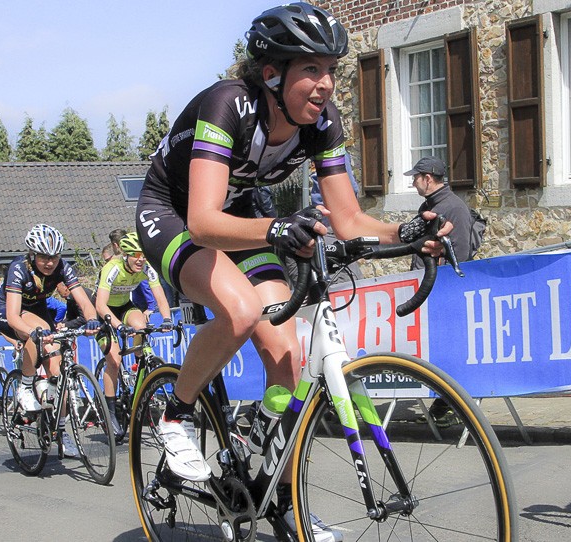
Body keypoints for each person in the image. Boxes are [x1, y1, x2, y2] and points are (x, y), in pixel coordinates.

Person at [134, 4, 451, 539]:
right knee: (241, 309)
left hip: (244, 215)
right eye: (311, 69)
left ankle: (275, 495)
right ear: (271, 73)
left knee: (287, 352)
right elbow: (204, 220)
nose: (326, 84)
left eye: (331, 69)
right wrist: (280, 228)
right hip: (175, 213)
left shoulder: (321, 124)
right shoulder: (226, 105)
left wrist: (406, 235)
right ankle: (174, 415)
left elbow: (348, 219)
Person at [0, 224, 101, 458]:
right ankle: (24, 385)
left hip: (38, 312)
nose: (50, 263)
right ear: (32, 255)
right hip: (10, 313)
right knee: (37, 330)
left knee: (58, 374)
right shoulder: (18, 268)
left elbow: (83, 300)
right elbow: (13, 316)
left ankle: (60, 432)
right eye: (43, 257)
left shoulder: (62, 267)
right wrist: (33, 333)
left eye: (54, 257)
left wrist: (92, 319)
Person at [406, 155, 474, 428]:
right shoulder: (430, 205)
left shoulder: (454, 208)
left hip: (442, 293)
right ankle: (444, 403)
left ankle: (449, 405)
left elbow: (460, 254)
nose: (412, 183)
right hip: (427, 289)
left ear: (428, 178)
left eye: (415, 177)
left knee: (448, 352)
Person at [94, 233, 172, 442]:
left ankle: (140, 361)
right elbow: (100, 305)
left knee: (141, 325)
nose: (141, 259)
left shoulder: (146, 267)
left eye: (143, 255)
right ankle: (110, 411)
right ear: (125, 254)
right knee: (115, 361)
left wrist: (167, 319)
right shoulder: (112, 268)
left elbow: (160, 296)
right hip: (104, 313)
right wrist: (118, 326)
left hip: (124, 306)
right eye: (136, 255)